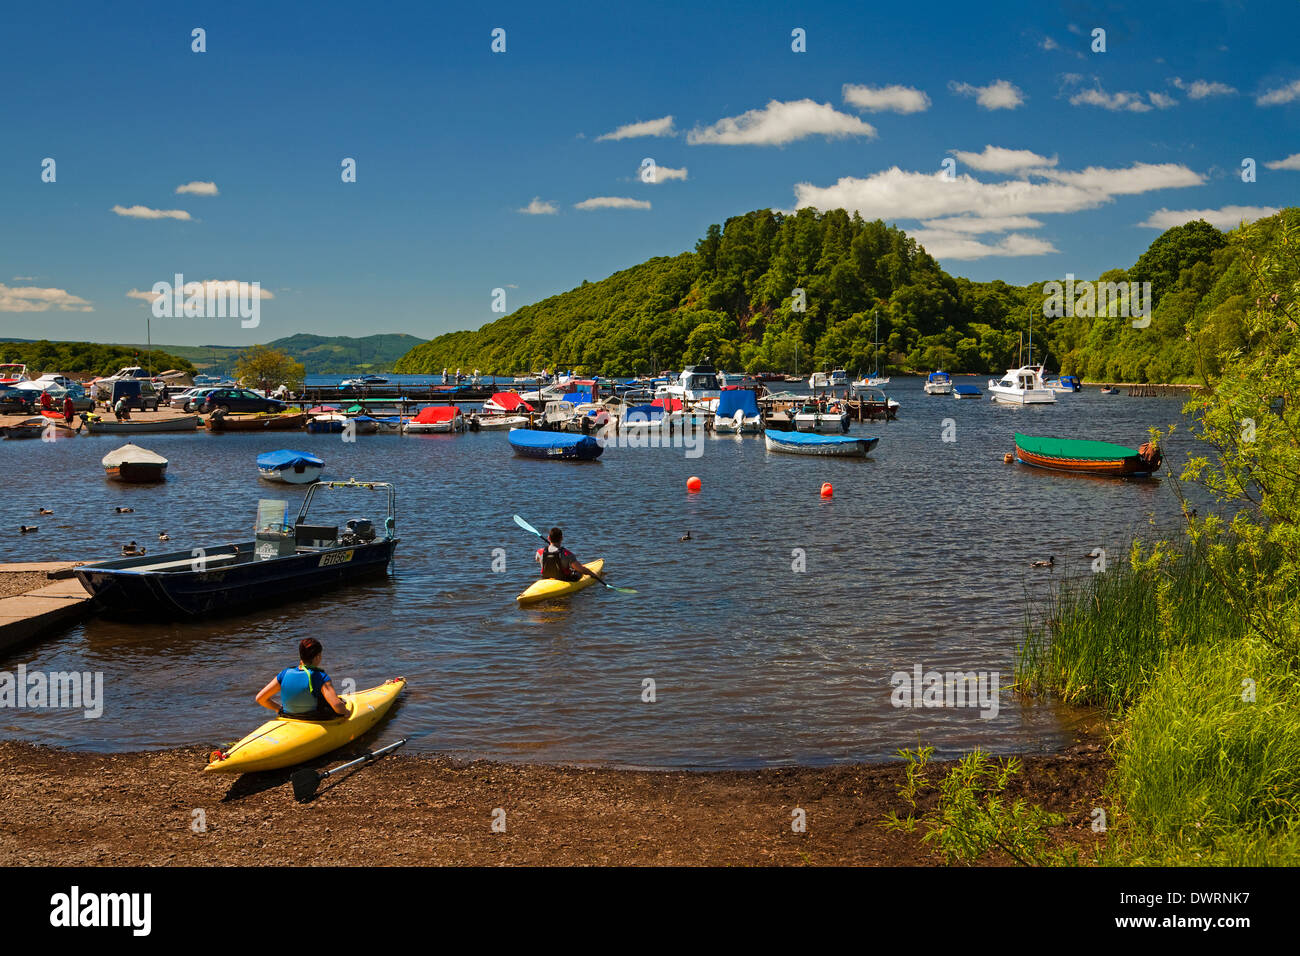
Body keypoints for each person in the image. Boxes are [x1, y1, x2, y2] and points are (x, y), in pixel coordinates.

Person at [255, 638, 351, 721]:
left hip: (288, 716)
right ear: (317, 657)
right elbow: (337, 707)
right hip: (315, 718)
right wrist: (347, 712)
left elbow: (260, 698)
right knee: (341, 703)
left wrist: (279, 709)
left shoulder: (284, 674)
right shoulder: (321, 677)